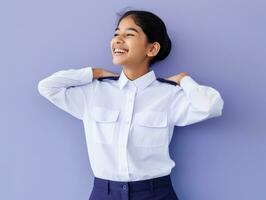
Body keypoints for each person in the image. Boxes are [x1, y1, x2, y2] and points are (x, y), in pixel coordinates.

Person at [38, 9, 224, 200]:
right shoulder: (94, 92)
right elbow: (48, 87)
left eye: (129, 35)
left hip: (156, 193)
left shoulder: (169, 95)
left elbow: (211, 106)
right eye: (116, 34)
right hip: (104, 193)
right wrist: (93, 72)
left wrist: (184, 80)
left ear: (151, 49)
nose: (118, 40)